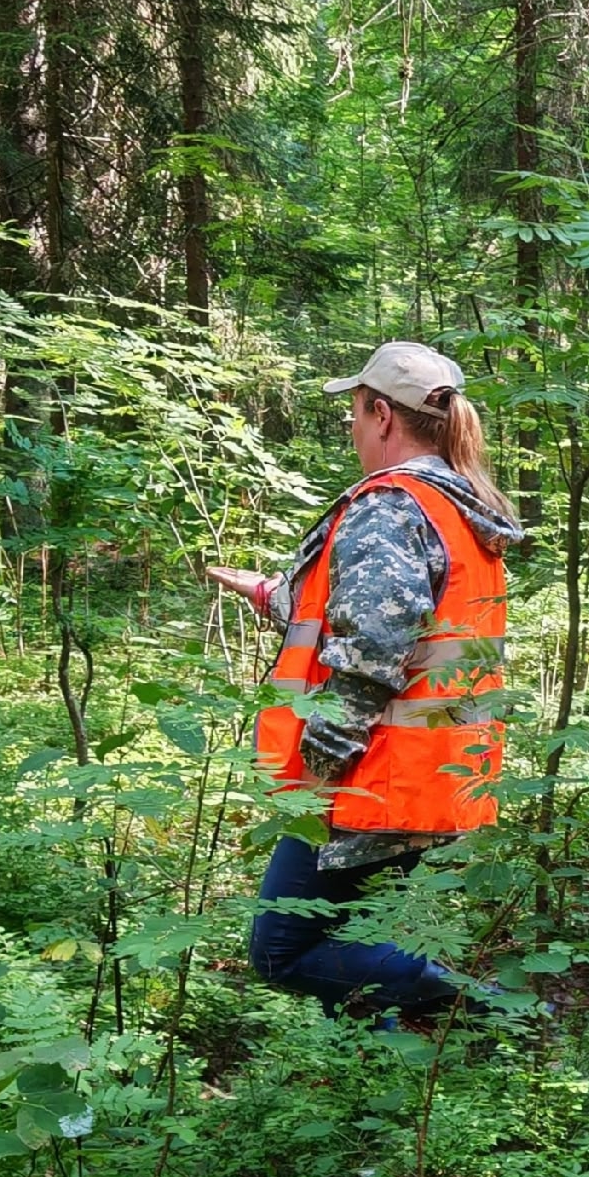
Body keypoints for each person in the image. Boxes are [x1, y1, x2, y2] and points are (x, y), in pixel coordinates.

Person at [211, 342, 523, 1026]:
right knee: (348, 939)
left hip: (365, 777)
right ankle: (376, 1088)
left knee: (282, 951)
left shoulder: (392, 506)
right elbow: (380, 616)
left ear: (382, 413)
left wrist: (323, 768)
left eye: (355, 411)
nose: (352, 428)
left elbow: (374, 650)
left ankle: (483, 1012)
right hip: (428, 773)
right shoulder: (460, 509)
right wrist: (270, 594)